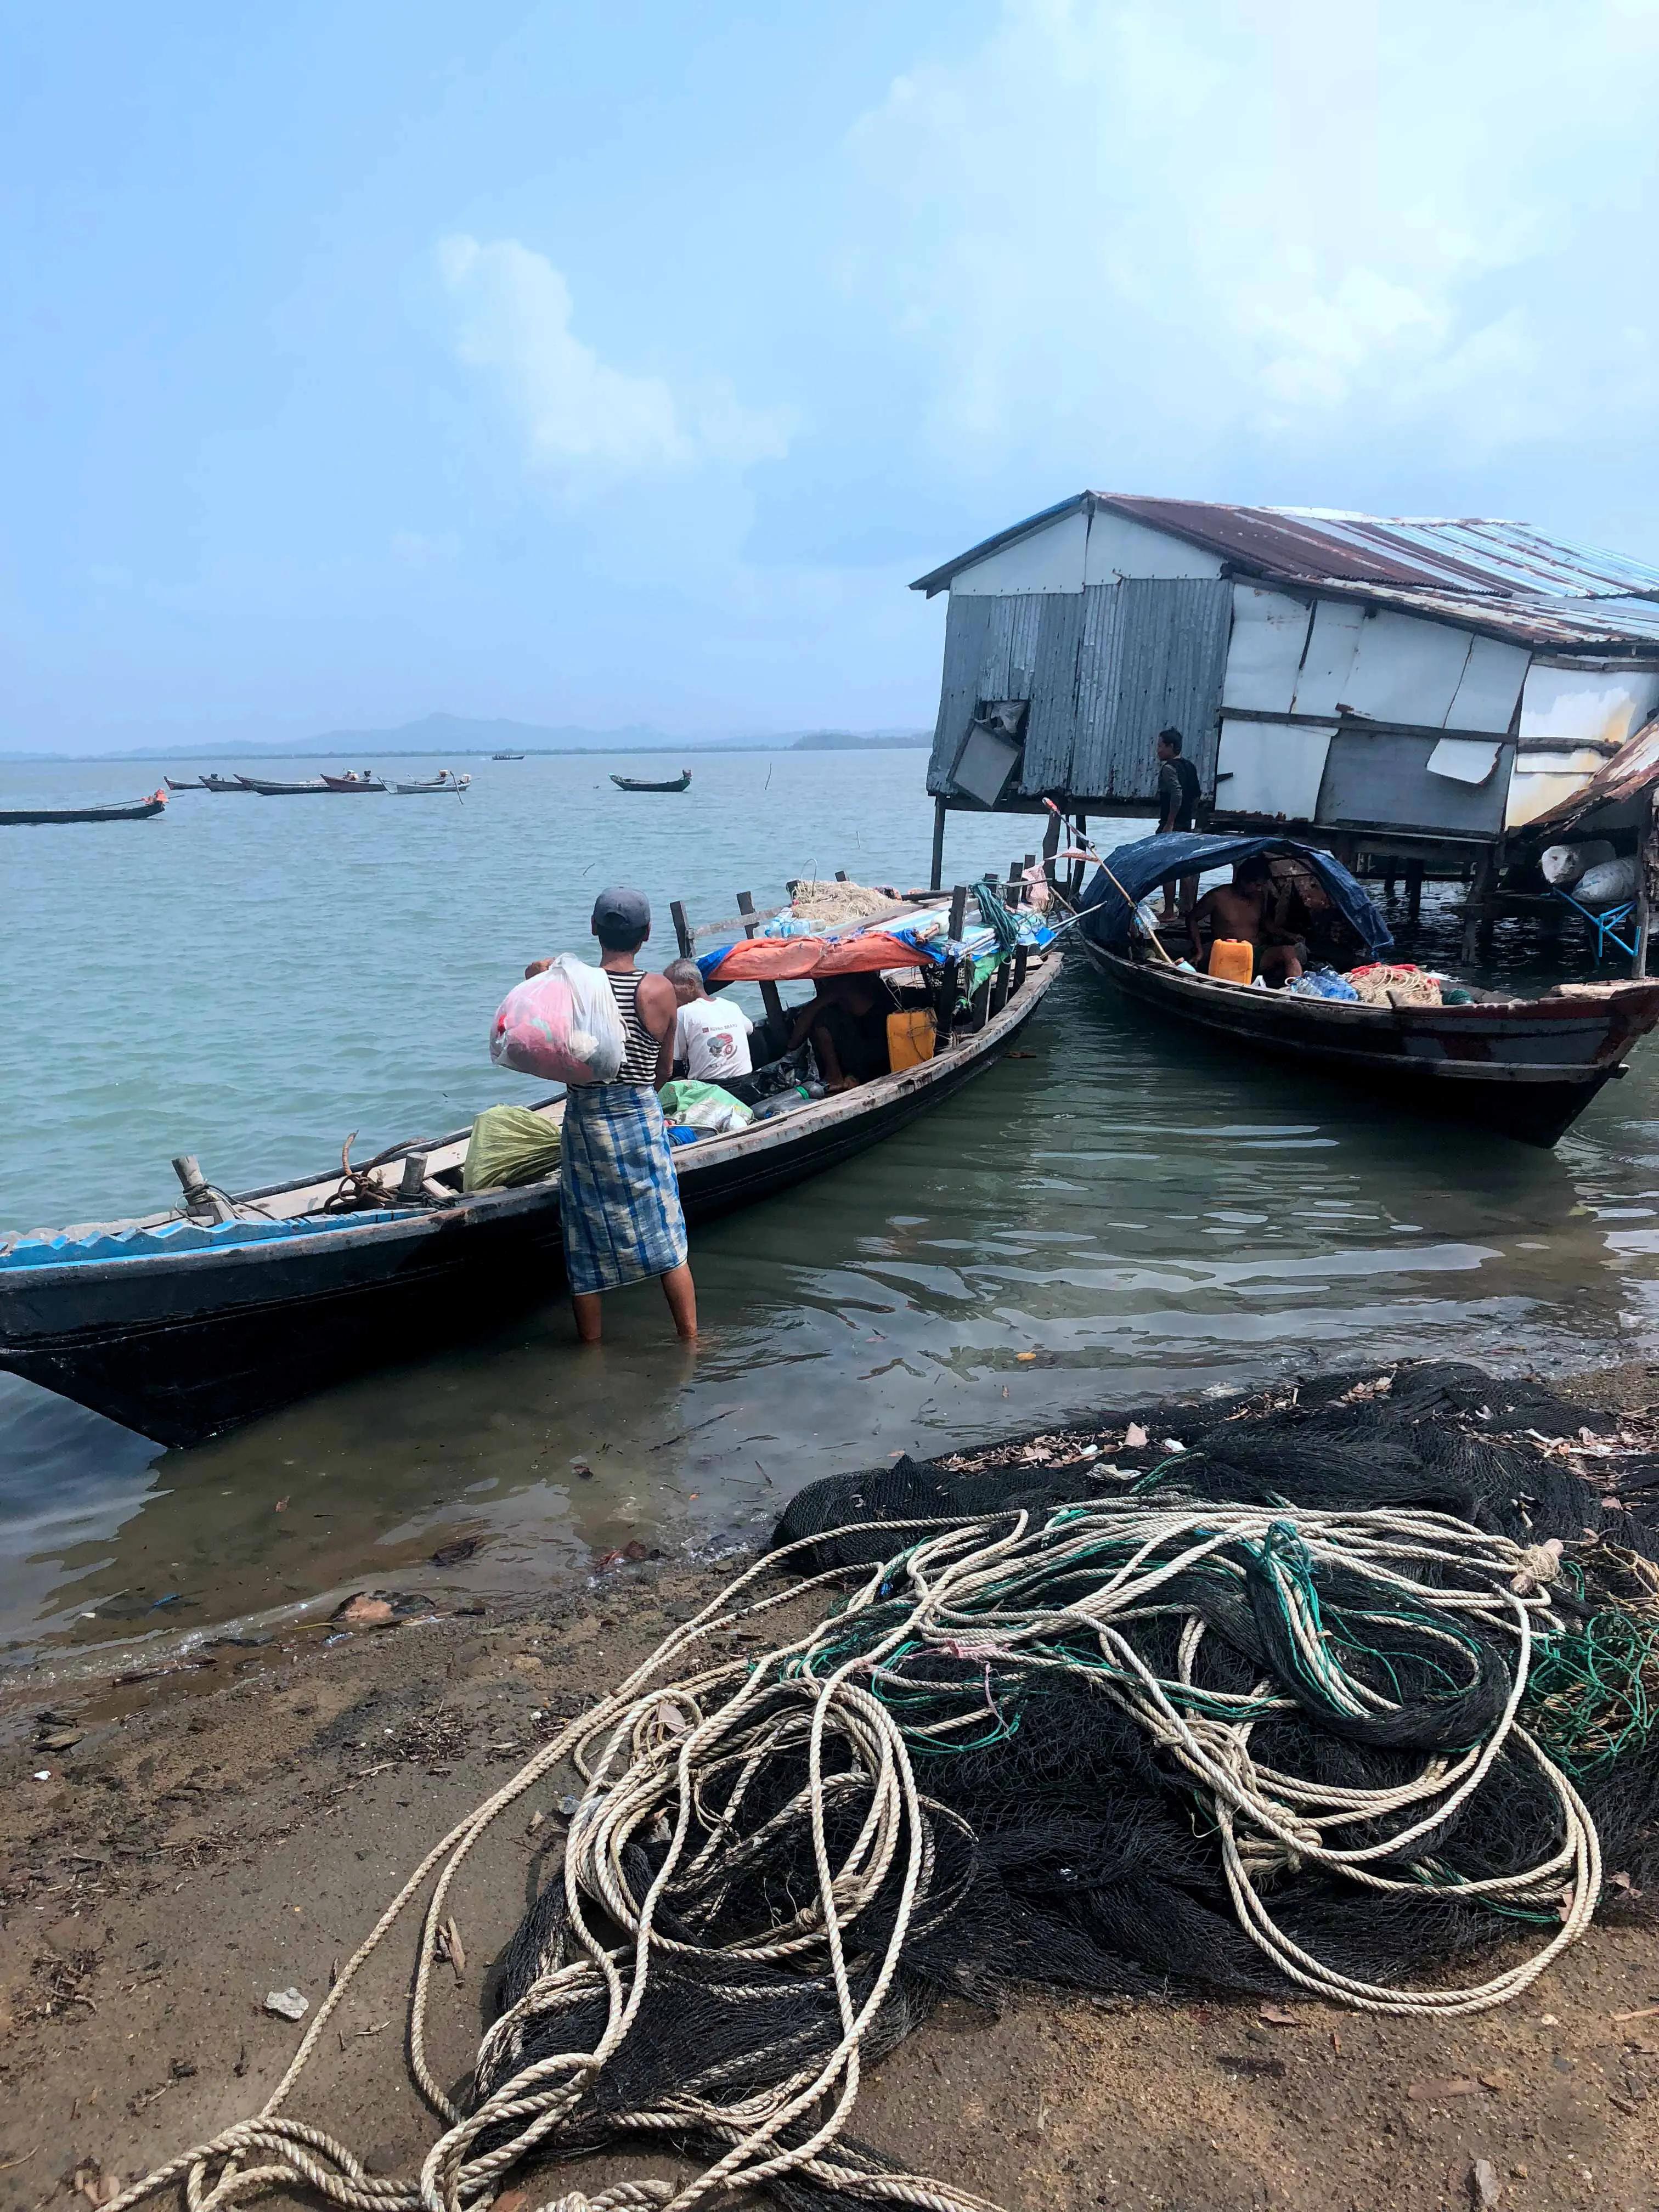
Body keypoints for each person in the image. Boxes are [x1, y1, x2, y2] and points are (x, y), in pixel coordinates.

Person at [526, 888, 696, 1346]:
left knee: (585, 1235)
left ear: (594, 929)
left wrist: (554, 967)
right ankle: (690, 1338)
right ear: (646, 935)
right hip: (638, 1117)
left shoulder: (573, 989)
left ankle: (592, 1348)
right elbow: (663, 1071)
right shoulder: (658, 989)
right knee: (666, 1228)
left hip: (586, 1123)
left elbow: (531, 977)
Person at [787, 974, 890, 1091]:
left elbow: (807, 1017)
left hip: (875, 1054)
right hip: (877, 1049)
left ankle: (834, 1077)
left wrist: (790, 1048)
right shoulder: (868, 983)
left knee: (821, 1019)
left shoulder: (840, 984)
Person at [664, 959, 755, 1084]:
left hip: (711, 1086)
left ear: (691, 984)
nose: (668, 994)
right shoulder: (731, 1005)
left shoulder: (684, 1013)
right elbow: (749, 1029)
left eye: (671, 988)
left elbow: (674, 1063)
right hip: (746, 1081)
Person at [1155, 727, 1202, 923]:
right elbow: (1197, 794)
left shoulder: (1168, 768)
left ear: (1171, 747)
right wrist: (1188, 815)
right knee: (1185, 868)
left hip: (1172, 825)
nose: (1157, 751)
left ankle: (1168, 911)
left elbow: (1177, 794)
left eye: (1160, 746)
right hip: (1186, 824)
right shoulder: (1189, 766)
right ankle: (1188, 908)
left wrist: (1170, 822)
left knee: (1167, 869)